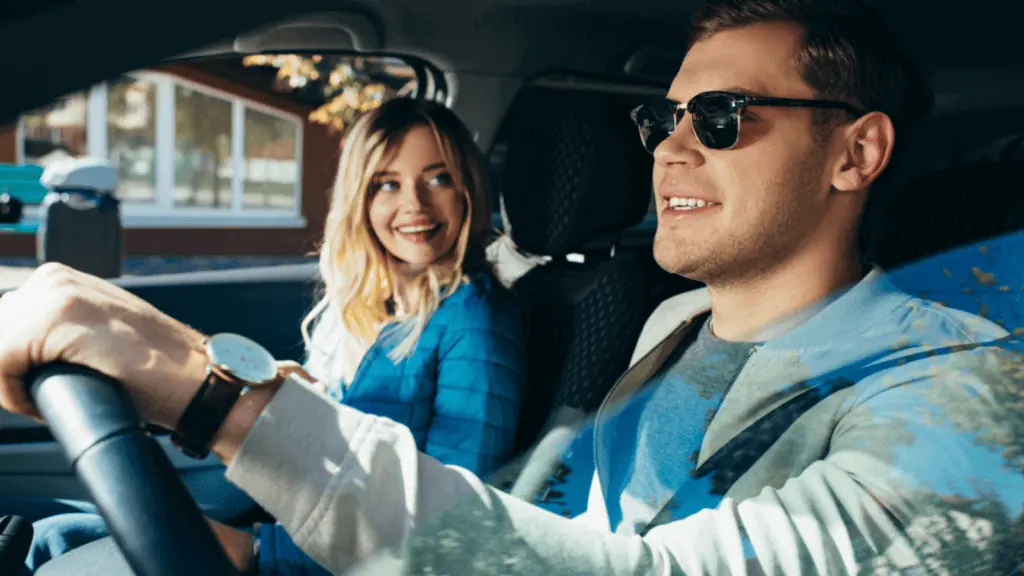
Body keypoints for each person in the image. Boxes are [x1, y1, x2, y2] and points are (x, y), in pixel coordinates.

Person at [1, 0, 1022, 573]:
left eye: (718, 117)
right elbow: (556, 525)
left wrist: (211, 392)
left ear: (855, 153)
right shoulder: (671, 325)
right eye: (659, 122)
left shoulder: (961, 399)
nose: (667, 150)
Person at [13, 97, 528, 574]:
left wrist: (261, 551)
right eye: (386, 184)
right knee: (44, 530)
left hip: (342, 554)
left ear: (469, 189)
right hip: (306, 513)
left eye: (437, 178)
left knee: (55, 544)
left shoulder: (472, 319)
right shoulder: (382, 298)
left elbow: (457, 523)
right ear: (360, 200)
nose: (413, 203)